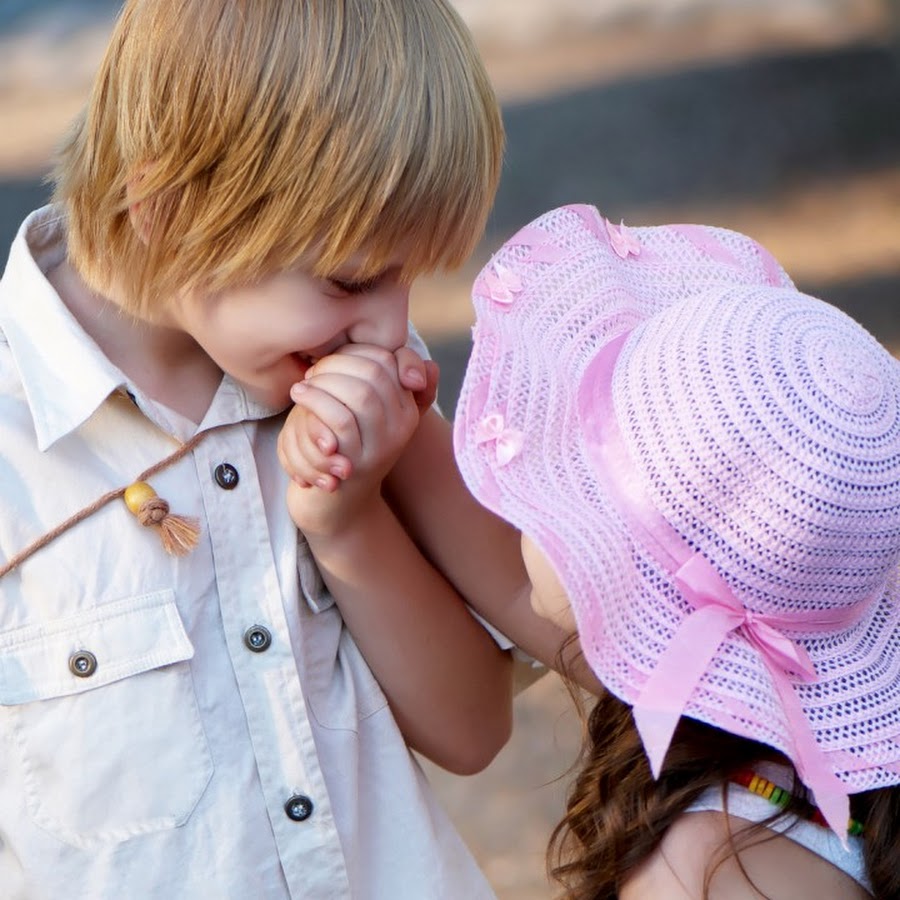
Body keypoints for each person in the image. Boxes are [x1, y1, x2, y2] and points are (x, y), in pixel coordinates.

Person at [0, 1, 541, 896]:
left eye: (406, 276)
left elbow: (474, 729)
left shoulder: (353, 393)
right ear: (167, 212)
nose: (394, 325)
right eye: (353, 278)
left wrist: (351, 524)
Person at [452, 203, 900, 899]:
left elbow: (515, 586)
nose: (525, 512)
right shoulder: (788, 780)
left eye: (572, 474)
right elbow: (508, 583)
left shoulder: (704, 872)